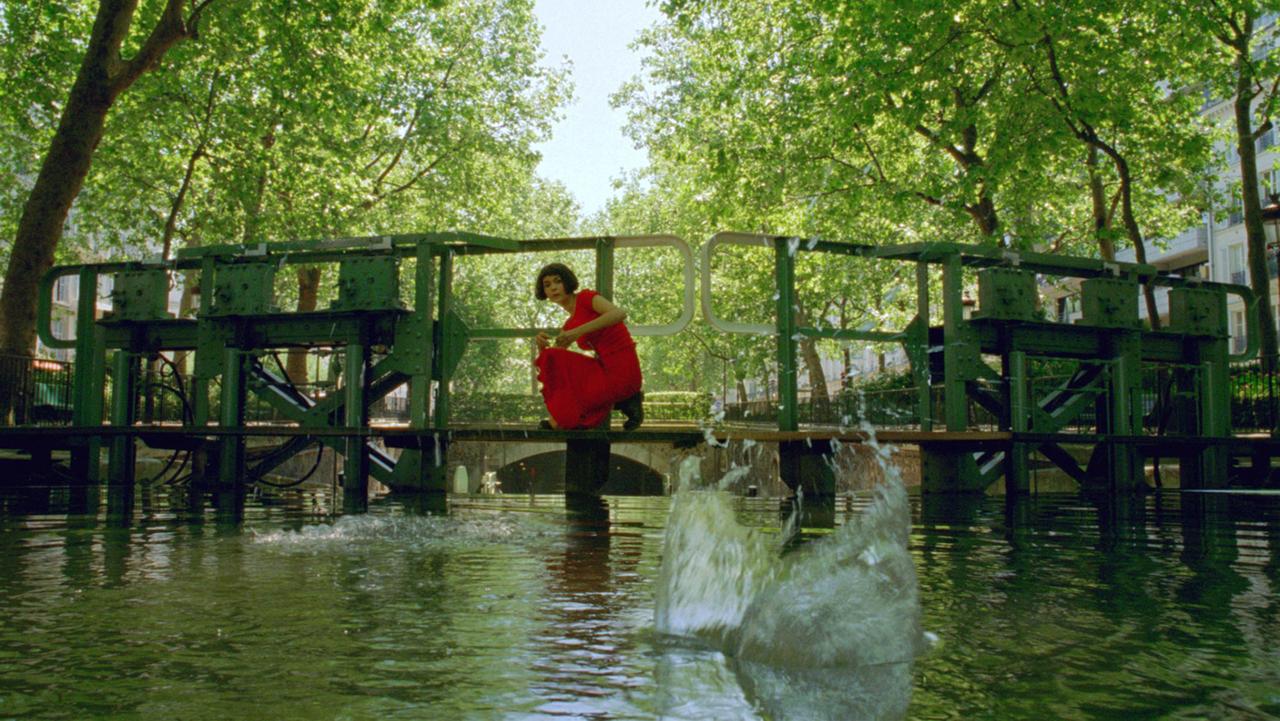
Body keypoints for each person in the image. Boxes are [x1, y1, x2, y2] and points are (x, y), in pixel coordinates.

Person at [533, 262, 644, 430]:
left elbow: (619, 313)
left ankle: (628, 399)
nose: (553, 288)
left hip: (623, 369)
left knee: (574, 408)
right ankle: (623, 402)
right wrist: (541, 347)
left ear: (567, 282)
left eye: (558, 281)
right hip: (603, 369)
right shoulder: (569, 325)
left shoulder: (586, 298)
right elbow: (554, 363)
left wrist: (577, 332)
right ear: (544, 292)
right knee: (551, 357)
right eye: (547, 285)